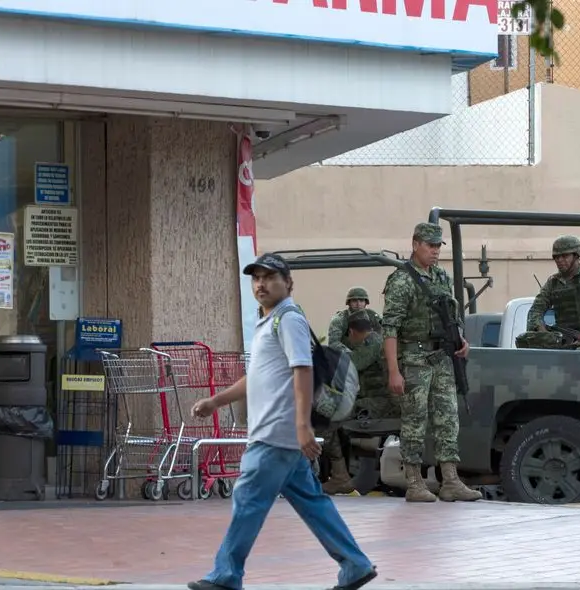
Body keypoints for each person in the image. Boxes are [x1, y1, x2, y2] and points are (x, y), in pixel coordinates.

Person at [186, 253, 377, 590]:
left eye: (270, 277)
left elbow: (301, 370)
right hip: (281, 435)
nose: (261, 284)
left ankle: (226, 575)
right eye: (256, 278)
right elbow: (257, 377)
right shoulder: (270, 321)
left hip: (276, 434)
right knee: (313, 503)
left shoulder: (287, 319)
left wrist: (302, 426)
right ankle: (355, 564)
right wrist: (216, 401)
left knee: (248, 499)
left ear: (288, 284)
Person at [381, 222, 482, 503]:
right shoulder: (401, 281)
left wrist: (461, 339)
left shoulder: (441, 276)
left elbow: (452, 313)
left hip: (442, 357)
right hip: (415, 357)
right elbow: (389, 328)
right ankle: (414, 482)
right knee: (415, 421)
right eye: (430, 245)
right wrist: (394, 371)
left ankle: (450, 479)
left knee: (448, 418)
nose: (435, 251)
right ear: (415, 245)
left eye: (438, 246)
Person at [321, 309, 400, 495]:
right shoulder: (373, 341)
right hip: (374, 400)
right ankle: (339, 474)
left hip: (384, 403)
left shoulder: (373, 342)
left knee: (328, 419)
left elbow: (353, 364)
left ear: (352, 332)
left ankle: (340, 476)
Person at [518, 235, 580, 350]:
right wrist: (541, 329)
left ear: (576, 255)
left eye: (564, 256)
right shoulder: (553, 282)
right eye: (556, 257)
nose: (560, 260)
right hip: (564, 342)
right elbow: (536, 310)